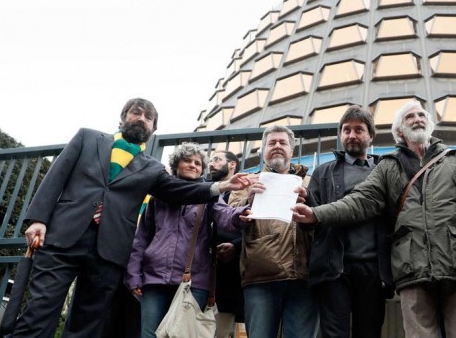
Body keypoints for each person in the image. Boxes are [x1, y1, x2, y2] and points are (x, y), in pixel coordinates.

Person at [15, 98, 251, 337]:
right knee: (39, 312)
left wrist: (220, 187)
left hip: (108, 253)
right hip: (63, 238)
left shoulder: (152, 168)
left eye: (148, 118)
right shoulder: (87, 138)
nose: (141, 119)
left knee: (87, 325)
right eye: (136, 113)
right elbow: (56, 175)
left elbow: (179, 190)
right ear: (123, 116)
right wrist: (38, 219)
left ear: (153, 129)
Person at [293, 101, 456, 338]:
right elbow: (361, 201)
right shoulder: (388, 166)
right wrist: (315, 212)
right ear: (399, 131)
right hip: (411, 266)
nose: (417, 118)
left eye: (421, 114)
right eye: (409, 116)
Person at [124, 143, 250, 338]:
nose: (193, 165)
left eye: (198, 163)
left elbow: (226, 216)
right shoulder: (158, 198)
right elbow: (141, 239)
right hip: (154, 278)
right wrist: (133, 275)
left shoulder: (209, 195)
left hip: (193, 281)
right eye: (187, 161)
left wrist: (242, 213)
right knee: (149, 334)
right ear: (176, 164)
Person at [307, 105, 393, 338]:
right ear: (340, 135)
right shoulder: (322, 173)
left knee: (369, 332)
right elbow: (311, 220)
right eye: (346, 130)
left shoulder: (385, 171)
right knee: (334, 334)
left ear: (371, 136)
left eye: (359, 130)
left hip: (374, 269)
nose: (352, 135)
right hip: (334, 268)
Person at [229, 125, 319, 338]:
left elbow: (325, 220)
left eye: (282, 143)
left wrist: (311, 203)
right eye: (272, 143)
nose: (277, 146)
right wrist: (248, 199)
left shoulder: (310, 182)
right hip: (260, 279)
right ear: (262, 150)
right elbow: (229, 218)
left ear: (291, 150)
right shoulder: (248, 182)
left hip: (303, 278)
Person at [209, 150, 246, 338]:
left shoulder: (246, 189)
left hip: (230, 277)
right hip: (202, 275)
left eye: (216, 159)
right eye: (209, 161)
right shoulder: (206, 190)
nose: (211, 164)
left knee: (221, 330)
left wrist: (236, 246)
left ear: (232, 164)